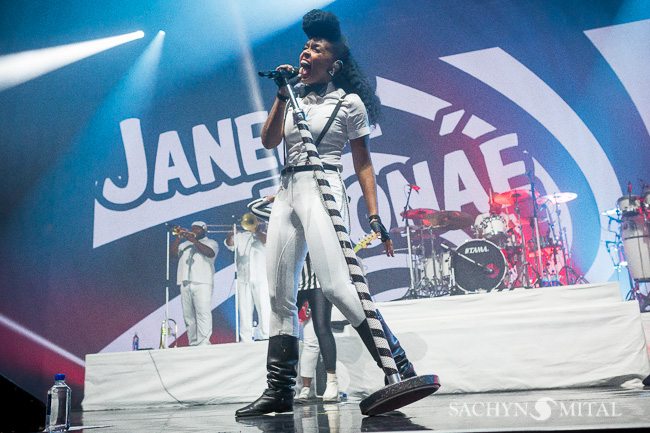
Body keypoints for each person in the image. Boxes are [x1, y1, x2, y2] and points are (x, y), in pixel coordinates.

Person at [236, 10, 416, 417]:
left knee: (336, 286)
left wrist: (373, 217)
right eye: (306, 45)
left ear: (333, 64)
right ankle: (279, 389)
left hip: (325, 188)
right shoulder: (292, 94)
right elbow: (268, 141)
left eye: (316, 48)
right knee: (279, 295)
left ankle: (399, 367)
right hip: (287, 190)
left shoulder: (349, 103)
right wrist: (283, 94)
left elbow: (364, 163)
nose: (307, 51)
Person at [249, 196, 340, 402]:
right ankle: (283, 385)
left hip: (317, 280)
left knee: (322, 328)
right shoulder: (284, 216)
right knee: (285, 330)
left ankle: (332, 382)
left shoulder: (318, 216)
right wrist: (275, 197)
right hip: (296, 281)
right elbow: (253, 208)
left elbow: (341, 203)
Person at [170, 221, 218, 346]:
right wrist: (178, 238)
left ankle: (204, 342)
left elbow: (210, 253)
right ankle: (193, 342)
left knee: (203, 312)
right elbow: (173, 254)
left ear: (204, 230)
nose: (194, 231)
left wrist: (194, 241)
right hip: (185, 282)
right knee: (188, 316)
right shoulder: (185, 244)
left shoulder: (211, 243)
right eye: (192, 229)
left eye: (197, 229)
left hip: (202, 282)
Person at [225, 215, 271, 342]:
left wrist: (256, 232)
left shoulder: (265, 234)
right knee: (244, 309)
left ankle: (265, 336)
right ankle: (245, 339)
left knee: (264, 307)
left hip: (261, 277)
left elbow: (267, 241)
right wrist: (230, 235)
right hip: (243, 278)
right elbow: (230, 245)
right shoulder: (240, 236)